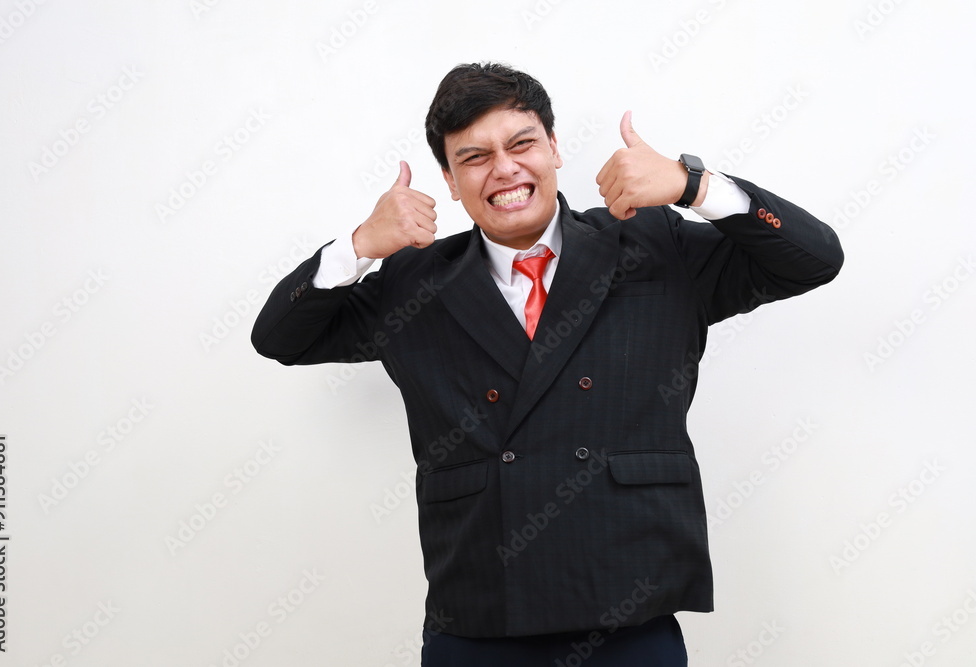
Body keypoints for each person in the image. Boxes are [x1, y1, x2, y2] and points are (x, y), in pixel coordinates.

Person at [251, 62, 843, 666]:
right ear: (450, 181)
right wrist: (359, 245)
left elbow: (813, 259)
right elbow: (280, 338)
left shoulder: (653, 244)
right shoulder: (413, 282)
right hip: (480, 616)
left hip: (629, 606)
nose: (504, 168)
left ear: (555, 147)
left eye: (522, 143)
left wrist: (695, 185)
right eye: (474, 156)